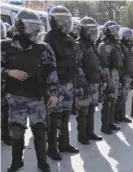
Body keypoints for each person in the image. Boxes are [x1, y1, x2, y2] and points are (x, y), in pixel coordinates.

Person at [1, 9, 59, 172]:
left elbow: (52, 70)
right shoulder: (5, 46)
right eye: (30, 27)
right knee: (17, 132)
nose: (34, 30)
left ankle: (42, 162)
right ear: (20, 27)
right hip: (16, 97)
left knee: (40, 131)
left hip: (37, 97)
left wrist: (54, 93)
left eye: (36, 27)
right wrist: (8, 72)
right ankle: (16, 162)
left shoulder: (43, 48)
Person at [44, 5, 80, 161]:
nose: (66, 24)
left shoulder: (70, 38)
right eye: (63, 21)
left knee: (66, 115)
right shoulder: (49, 38)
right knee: (55, 117)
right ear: (56, 22)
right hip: (57, 84)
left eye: (68, 21)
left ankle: (64, 144)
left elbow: (76, 59)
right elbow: (48, 65)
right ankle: (52, 148)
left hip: (69, 83)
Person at [75, 16, 103, 143]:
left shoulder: (92, 45)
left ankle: (90, 132)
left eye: (94, 31)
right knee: (83, 111)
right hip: (85, 83)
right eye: (91, 31)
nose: (93, 34)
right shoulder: (78, 45)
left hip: (94, 82)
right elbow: (77, 65)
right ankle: (82, 135)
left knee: (92, 108)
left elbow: (96, 63)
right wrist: (83, 82)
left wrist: (102, 77)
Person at [98, 20, 122, 134]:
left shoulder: (115, 45)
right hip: (108, 77)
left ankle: (111, 123)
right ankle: (104, 126)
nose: (116, 34)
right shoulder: (103, 46)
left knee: (113, 100)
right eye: (114, 31)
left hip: (115, 75)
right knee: (107, 102)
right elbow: (103, 64)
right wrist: (107, 80)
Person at [114, 27, 133, 123]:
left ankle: (122, 115)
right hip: (122, 75)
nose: (130, 39)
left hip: (127, 75)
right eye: (128, 37)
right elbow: (119, 63)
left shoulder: (127, 47)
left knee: (125, 96)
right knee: (120, 97)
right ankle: (115, 116)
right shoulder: (119, 47)